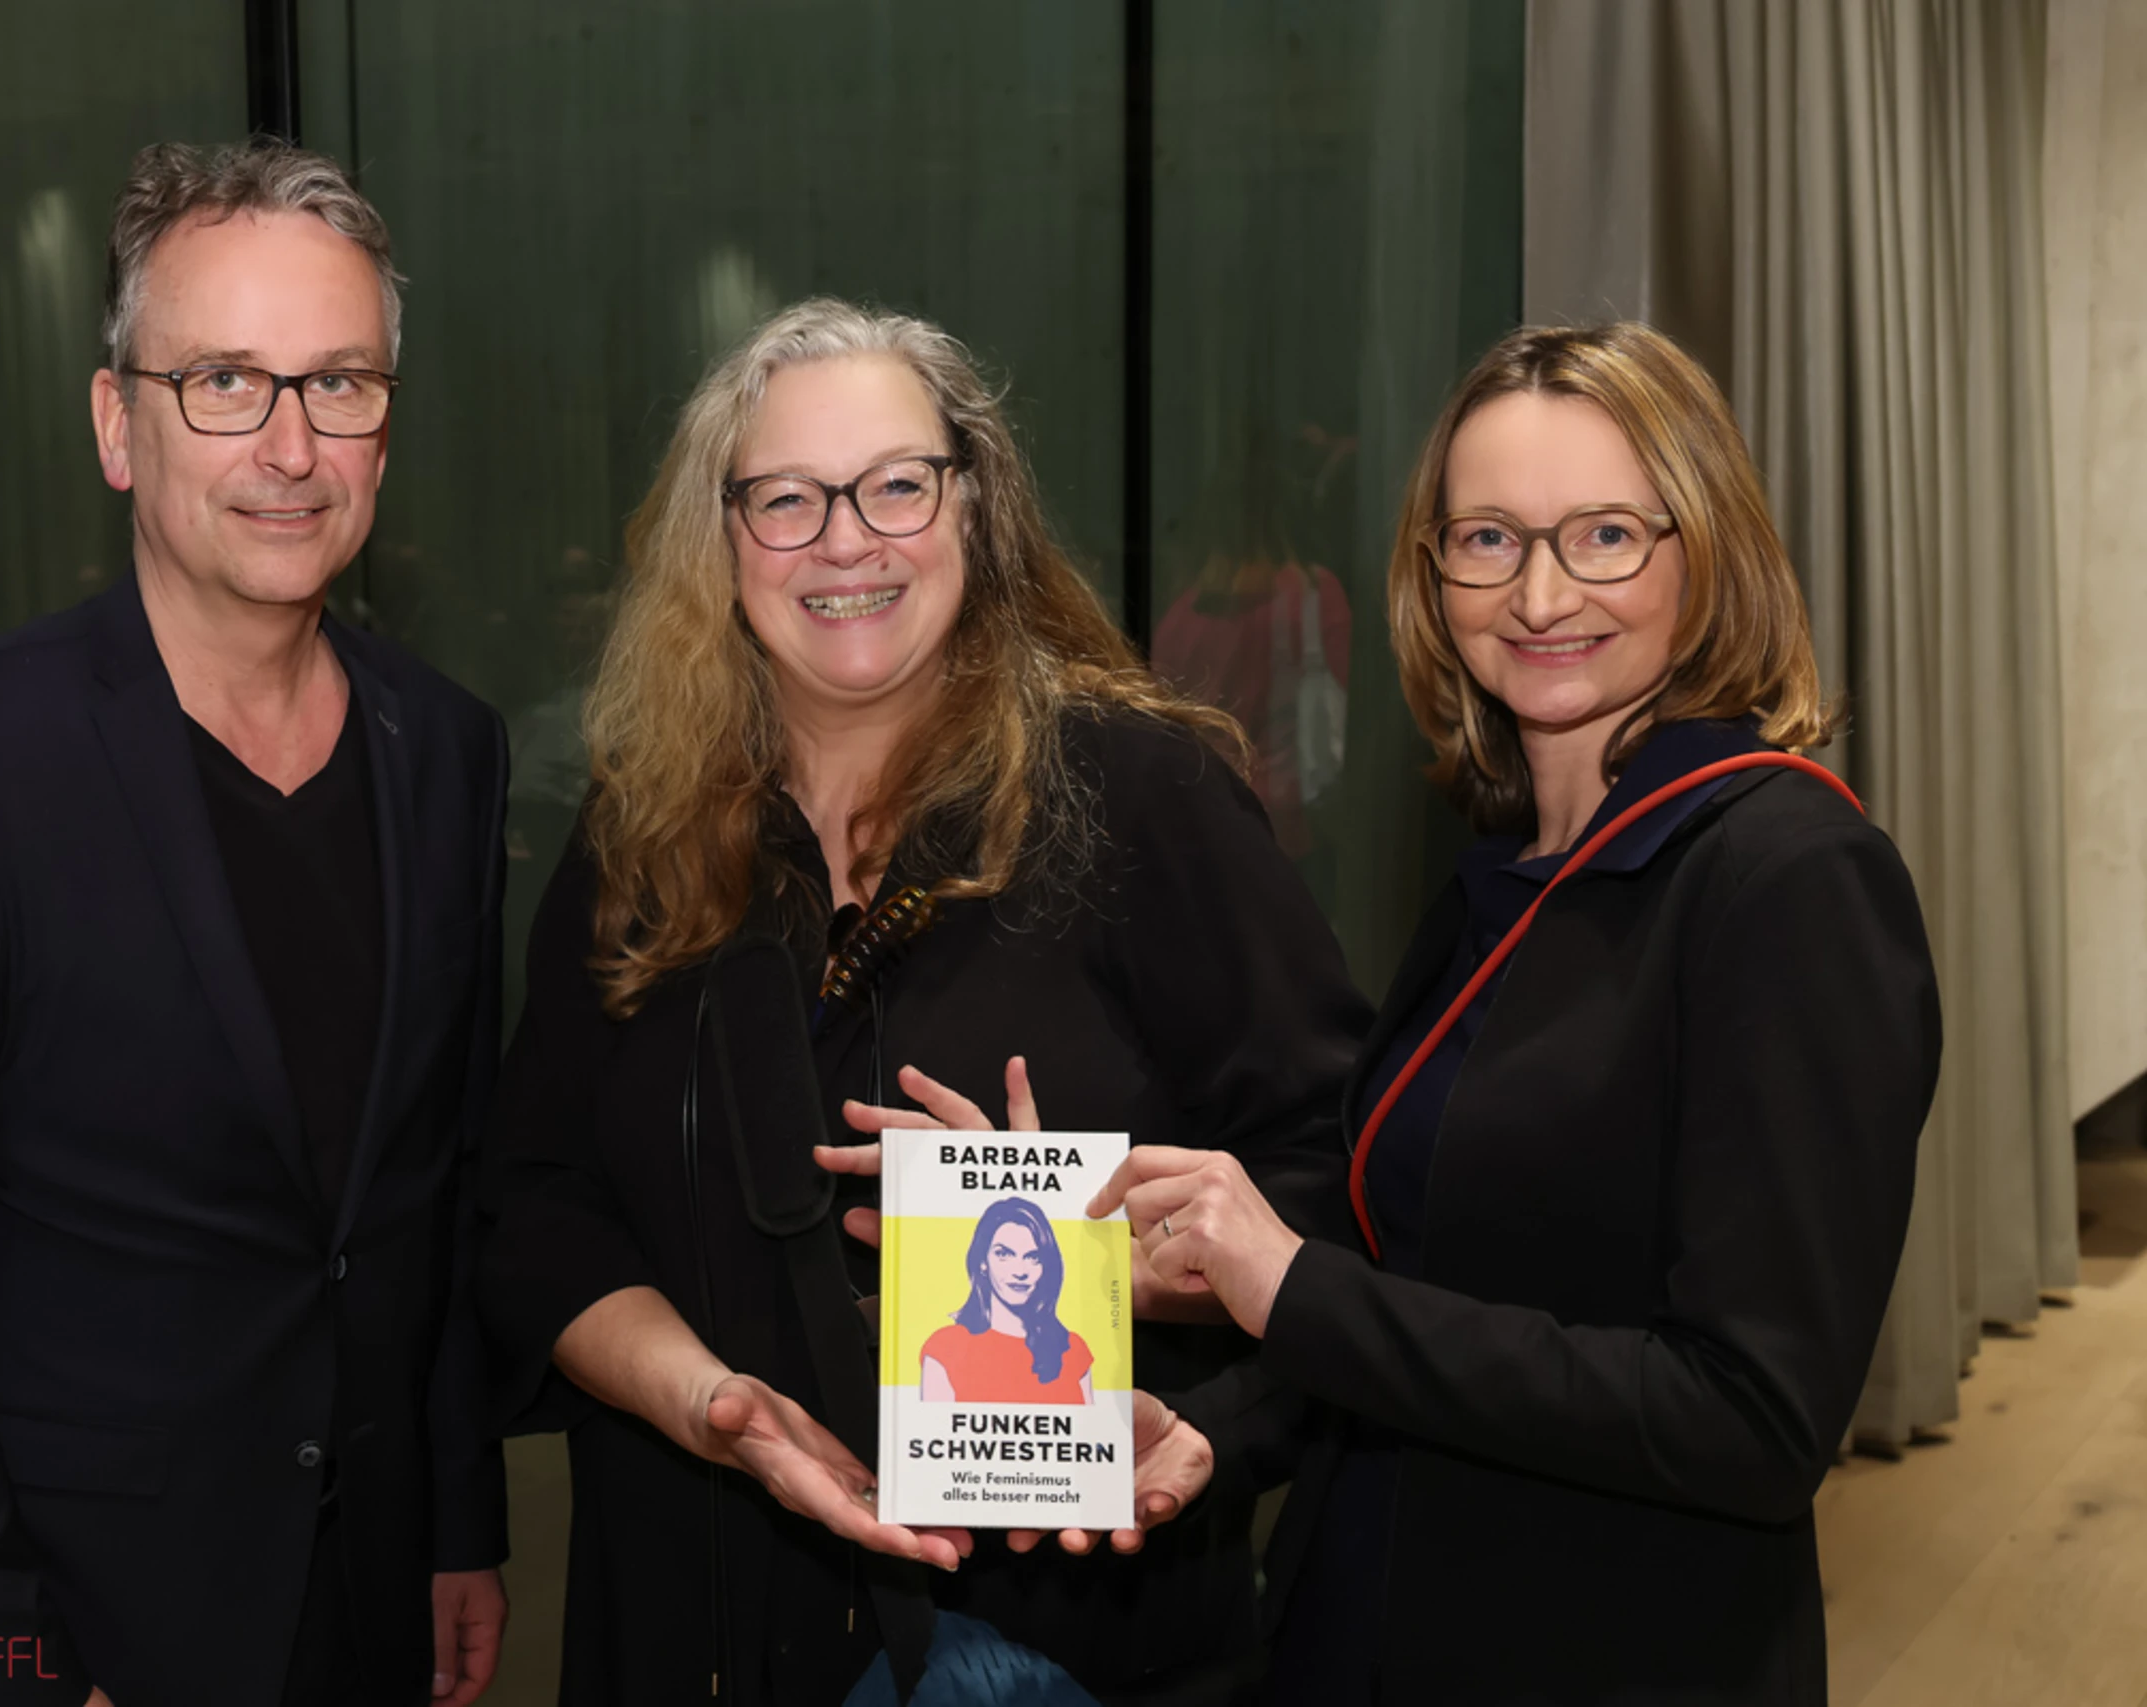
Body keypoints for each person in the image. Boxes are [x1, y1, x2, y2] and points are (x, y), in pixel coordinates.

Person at [476, 297, 1370, 1706]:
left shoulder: (1143, 800)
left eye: (896, 484)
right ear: (721, 538)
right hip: (697, 1620)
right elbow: (536, 1201)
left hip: (1060, 1636)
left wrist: (1148, 1309)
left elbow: (1340, 1179)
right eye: (787, 498)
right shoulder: (640, 832)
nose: (846, 540)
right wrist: (710, 1406)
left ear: (975, 505)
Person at [1077, 321, 1942, 1705]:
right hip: (1366, 1622)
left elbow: (1752, 1421)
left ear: (1707, 551)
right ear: (1434, 572)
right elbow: (1428, 1288)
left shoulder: (1789, 878)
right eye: (1486, 539)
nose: (1539, 594)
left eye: (1604, 535)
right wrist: (1214, 1429)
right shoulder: (1508, 870)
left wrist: (1292, 1282)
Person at [0, 141, 509, 1707]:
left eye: (339, 383)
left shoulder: (446, 747)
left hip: (369, 1583)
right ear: (119, 425)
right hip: (84, 1609)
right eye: (225, 381)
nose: (291, 446)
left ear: (386, 426)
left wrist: (459, 1511)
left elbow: (431, 1189)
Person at [920, 1198, 1092, 1405]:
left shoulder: (1072, 1349)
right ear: (983, 1262)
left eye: (1033, 1257)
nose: (1020, 1271)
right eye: (1004, 1254)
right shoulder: (945, 1348)